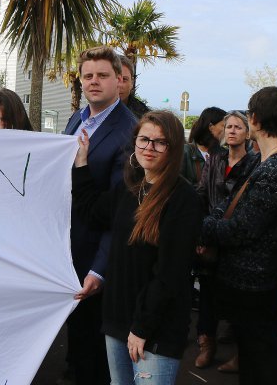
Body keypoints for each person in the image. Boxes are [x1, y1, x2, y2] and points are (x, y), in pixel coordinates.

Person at [73, 110, 201, 385]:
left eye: (160, 142)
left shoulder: (184, 199)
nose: (149, 148)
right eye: (144, 139)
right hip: (117, 321)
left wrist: (142, 328)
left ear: (174, 148)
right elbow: (90, 209)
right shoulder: (129, 189)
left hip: (155, 330)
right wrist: (82, 163)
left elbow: (170, 274)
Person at [202, 86, 277, 385]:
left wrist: (203, 226)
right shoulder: (264, 161)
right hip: (251, 283)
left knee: (262, 364)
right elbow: (227, 206)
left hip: (258, 287)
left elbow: (241, 229)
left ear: (254, 119)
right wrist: (214, 219)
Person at [62, 45, 138, 385]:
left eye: (103, 75)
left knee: (98, 354)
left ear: (119, 80)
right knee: (77, 343)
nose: (94, 82)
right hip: (68, 250)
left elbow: (122, 213)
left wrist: (100, 269)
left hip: (100, 260)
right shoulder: (76, 119)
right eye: (88, 75)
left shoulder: (130, 132)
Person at [194, 110, 259, 371]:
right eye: (228, 126)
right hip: (211, 237)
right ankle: (206, 346)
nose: (231, 130)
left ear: (247, 132)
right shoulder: (215, 159)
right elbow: (201, 194)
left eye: (238, 127)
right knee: (208, 295)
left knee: (236, 299)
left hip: (237, 240)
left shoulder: (255, 162)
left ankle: (239, 355)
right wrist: (200, 233)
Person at [181, 107, 226, 186]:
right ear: (211, 127)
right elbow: (178, 184)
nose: (227, 130)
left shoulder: (224, 154)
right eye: (224, 126)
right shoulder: (185, 151)